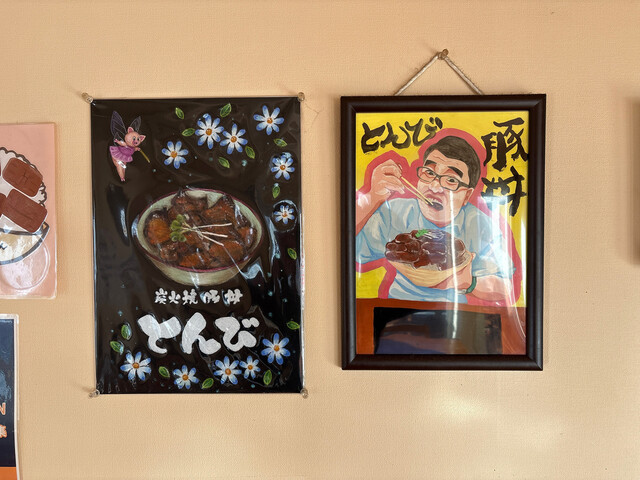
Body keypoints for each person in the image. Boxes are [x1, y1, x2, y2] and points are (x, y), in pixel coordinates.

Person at [356, 135, 515, 303]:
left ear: (467, 195)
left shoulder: (479, 225)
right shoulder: (396, 212)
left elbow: (505, 287)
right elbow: (349, 249)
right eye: (429, 173)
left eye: (451, 180)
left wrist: (469, 283)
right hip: (398, 307)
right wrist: (371, 199)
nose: (434, 186)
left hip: (455, 314)